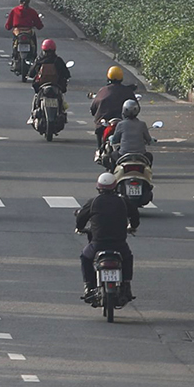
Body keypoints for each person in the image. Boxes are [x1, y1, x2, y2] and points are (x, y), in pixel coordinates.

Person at [75, 172, 139, 303]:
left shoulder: (93, 202)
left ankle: (89, 286)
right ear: (115, 186)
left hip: (98, 244)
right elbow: (135, 216)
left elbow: (81, 218)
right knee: (127, 258)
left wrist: (80, 228)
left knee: (85, 257)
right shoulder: (123, 201)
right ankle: (126, 285)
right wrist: (132, 226)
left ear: (98, 187)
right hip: (119, 244)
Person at [90, 65, 138, 149]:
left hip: (105, 123)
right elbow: (136, 108)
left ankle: (100, 150)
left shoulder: (103, 91)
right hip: (123, 122)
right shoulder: (128, 91)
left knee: (99, 130)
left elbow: (93, 108)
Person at [110, 97, 153, 164]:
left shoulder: (121, 124)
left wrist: (111, 139)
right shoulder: (142, 124)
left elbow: (115, 140)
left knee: (113, 155)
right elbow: (148, 139)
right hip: (141, 155)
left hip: (123, 154)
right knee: (149, 156)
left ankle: (114, 173)